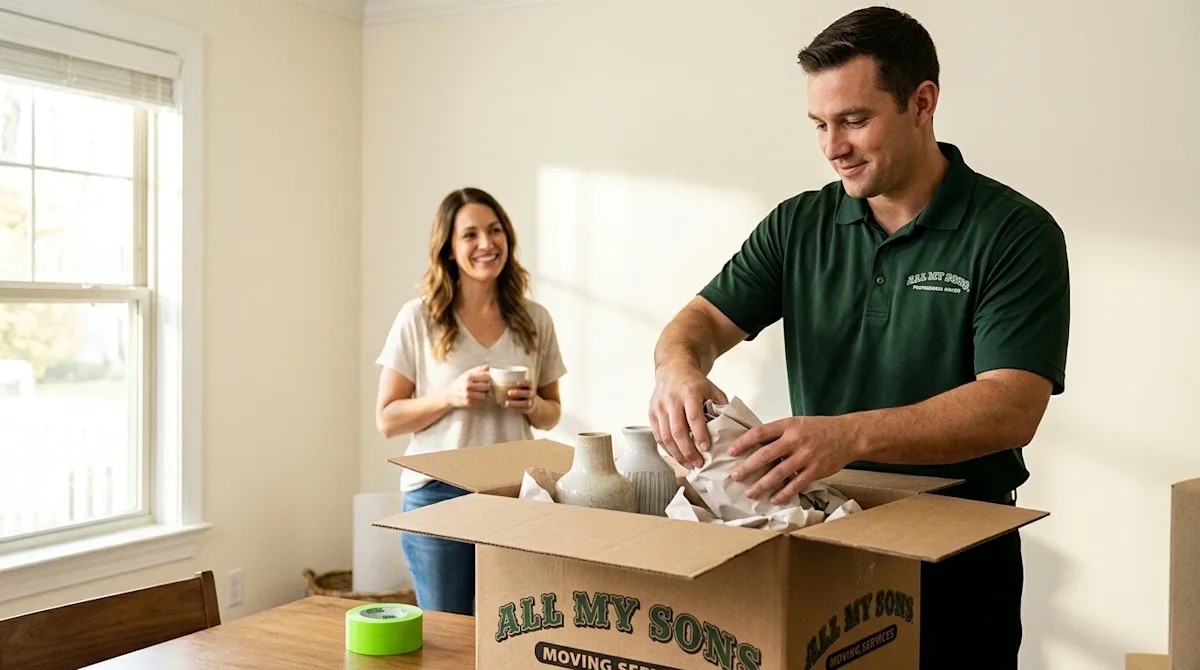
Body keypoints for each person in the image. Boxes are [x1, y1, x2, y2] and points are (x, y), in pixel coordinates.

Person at [647, 6, 1068, 669]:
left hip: (960, 555)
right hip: (826, 542)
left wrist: (848, 435)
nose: (832, 147)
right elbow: (696, 325)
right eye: (819, 124)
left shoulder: (1014, 233)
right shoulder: (798, 226)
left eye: (854, 120)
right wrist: (677, 369)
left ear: (922, 103)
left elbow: (1013, 406)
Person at [374, 187, 567, 615]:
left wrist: (532, 404)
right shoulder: (418, 318)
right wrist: (450, 396)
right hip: (436, 495)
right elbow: (387, 419)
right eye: (470, 234)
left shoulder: (535, 320)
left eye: (495, 230)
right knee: (446, 630)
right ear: (448, 248)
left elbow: (551, 413)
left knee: (512, 627)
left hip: (515, 492)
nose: (486, 243)